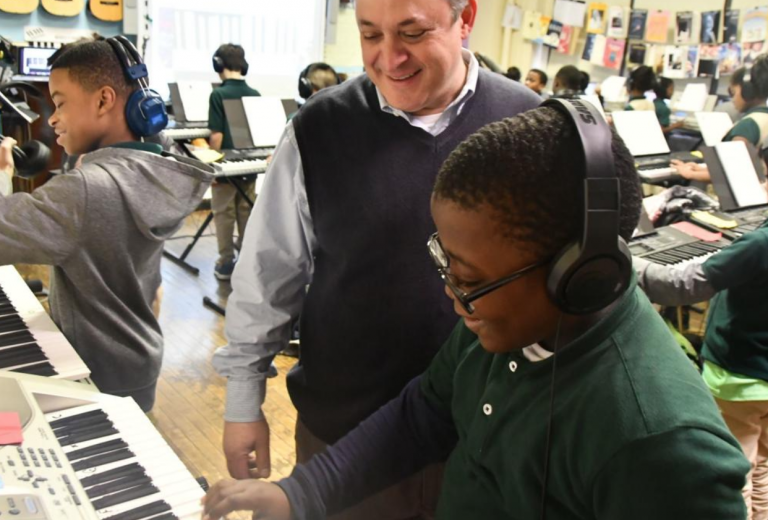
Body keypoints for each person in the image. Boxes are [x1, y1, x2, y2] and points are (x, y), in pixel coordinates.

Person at [203, 102, 749, 520]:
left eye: (469, 279)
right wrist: (297, 494)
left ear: (579, 276)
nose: (452, 295)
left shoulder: (663, 447)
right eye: (448, 264)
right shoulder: (504, 324)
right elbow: (422, 414)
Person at [212, 0, 541, 520]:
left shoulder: (531, 126)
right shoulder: (320, 127)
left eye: (413, 33)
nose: (388, 58)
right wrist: (242, 402)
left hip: (489, 444)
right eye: (370, 33)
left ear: (465, 18)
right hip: (342, 443)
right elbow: (267, 275)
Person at [0, 37, 214, 411]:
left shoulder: (85, 190)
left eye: (60, 103)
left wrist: (3, 176)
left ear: (103, 100)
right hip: (136, 358)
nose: (51, 118)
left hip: (94, 372)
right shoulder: (153, 168)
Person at [634, 213, 768, 518]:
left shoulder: (760, 244)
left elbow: (680, 286)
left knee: (737, 473)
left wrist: (625, 258)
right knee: (763, 466)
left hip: (738, 379)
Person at [207, 43, 262, 280]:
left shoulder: (218, 94)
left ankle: (225, 263)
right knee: (246, 211)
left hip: (227, 167)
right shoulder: (255, 94)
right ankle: (247, 261)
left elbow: (216, 136)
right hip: (250, 164)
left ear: (219, 64)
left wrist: (212, 167)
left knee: (223, 213)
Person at [673, 57, 768, 182]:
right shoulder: (762, 117)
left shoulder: (747, 126)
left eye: (733, 92)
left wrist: (690, 174)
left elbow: (734, 173)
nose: (733, 99)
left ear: (747, 91)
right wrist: (702, 170)